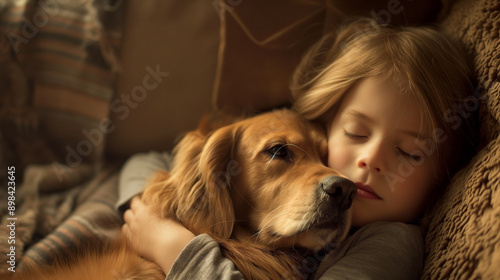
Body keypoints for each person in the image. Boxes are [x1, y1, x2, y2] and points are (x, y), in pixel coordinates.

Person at [119, 18, 478, 279]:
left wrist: (173, 247)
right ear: (332, 125)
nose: (372, 160)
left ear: (440, 181)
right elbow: (148, 159)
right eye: (355, 133)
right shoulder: (305, 152)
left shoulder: (390, 240)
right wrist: (147, 215)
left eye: (411, 153)